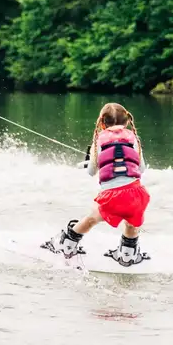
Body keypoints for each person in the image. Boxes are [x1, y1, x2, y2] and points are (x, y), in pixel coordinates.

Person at [44, 103, 150, 266]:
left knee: (92, 218)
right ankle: (128, 255)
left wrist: (92, 161)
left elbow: (91, 171)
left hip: (111, 197)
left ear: (102, 123)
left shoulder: (98, 141)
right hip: (136, 194)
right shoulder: (134, 139)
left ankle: (67, 245)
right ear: (127, 122)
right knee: (131, 222)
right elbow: (141, 169)